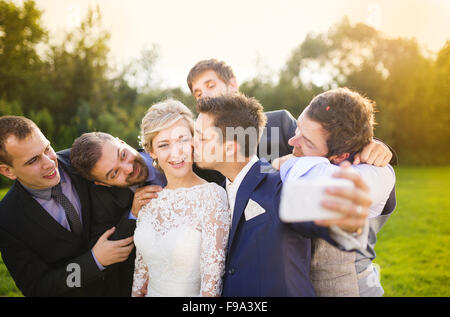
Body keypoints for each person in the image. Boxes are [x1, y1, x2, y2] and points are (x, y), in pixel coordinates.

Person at [194, 93, 371, 296]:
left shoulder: (281, 184)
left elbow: (320, 215)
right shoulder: (216, 188)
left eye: (201, 137)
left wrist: (346, 217)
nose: (193, 143)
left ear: (230, 147)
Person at [275, 88, 396, 296]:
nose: (292, 142)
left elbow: (316, 182)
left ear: (341, 156)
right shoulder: (314, 151)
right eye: (298, 129)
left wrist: (289, 162)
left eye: (307, 141)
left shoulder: (379, 174)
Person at [0, 116, 134, 296]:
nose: (49, 163)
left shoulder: (84, 161)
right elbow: (39, 288)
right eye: (32, 161)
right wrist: (93, 262)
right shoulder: (7, 220)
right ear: (7, 171)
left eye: (47, 149)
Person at [187, 58, 395, 170]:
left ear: (232, 84)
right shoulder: (199, 143)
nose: (204, 94)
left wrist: (374, 145)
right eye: (197, 92)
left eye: (210, 85)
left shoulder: (279, 122)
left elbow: (326, 137)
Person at [131, 99, 230, 297]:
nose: (176, 153)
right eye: (164, 144)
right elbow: (140, 278)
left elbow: (211, 287)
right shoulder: (149, 201)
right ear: (152, 152)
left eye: (183, 140)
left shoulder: (212, 195)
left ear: (194, 140)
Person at [68, 132, 166, 296]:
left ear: (121, 141)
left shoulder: (167, 147)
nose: (128, 168)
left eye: (123, 155)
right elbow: (111, 249)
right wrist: (134, 214)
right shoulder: (102, 202)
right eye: (114, 173)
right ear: (102, 183)